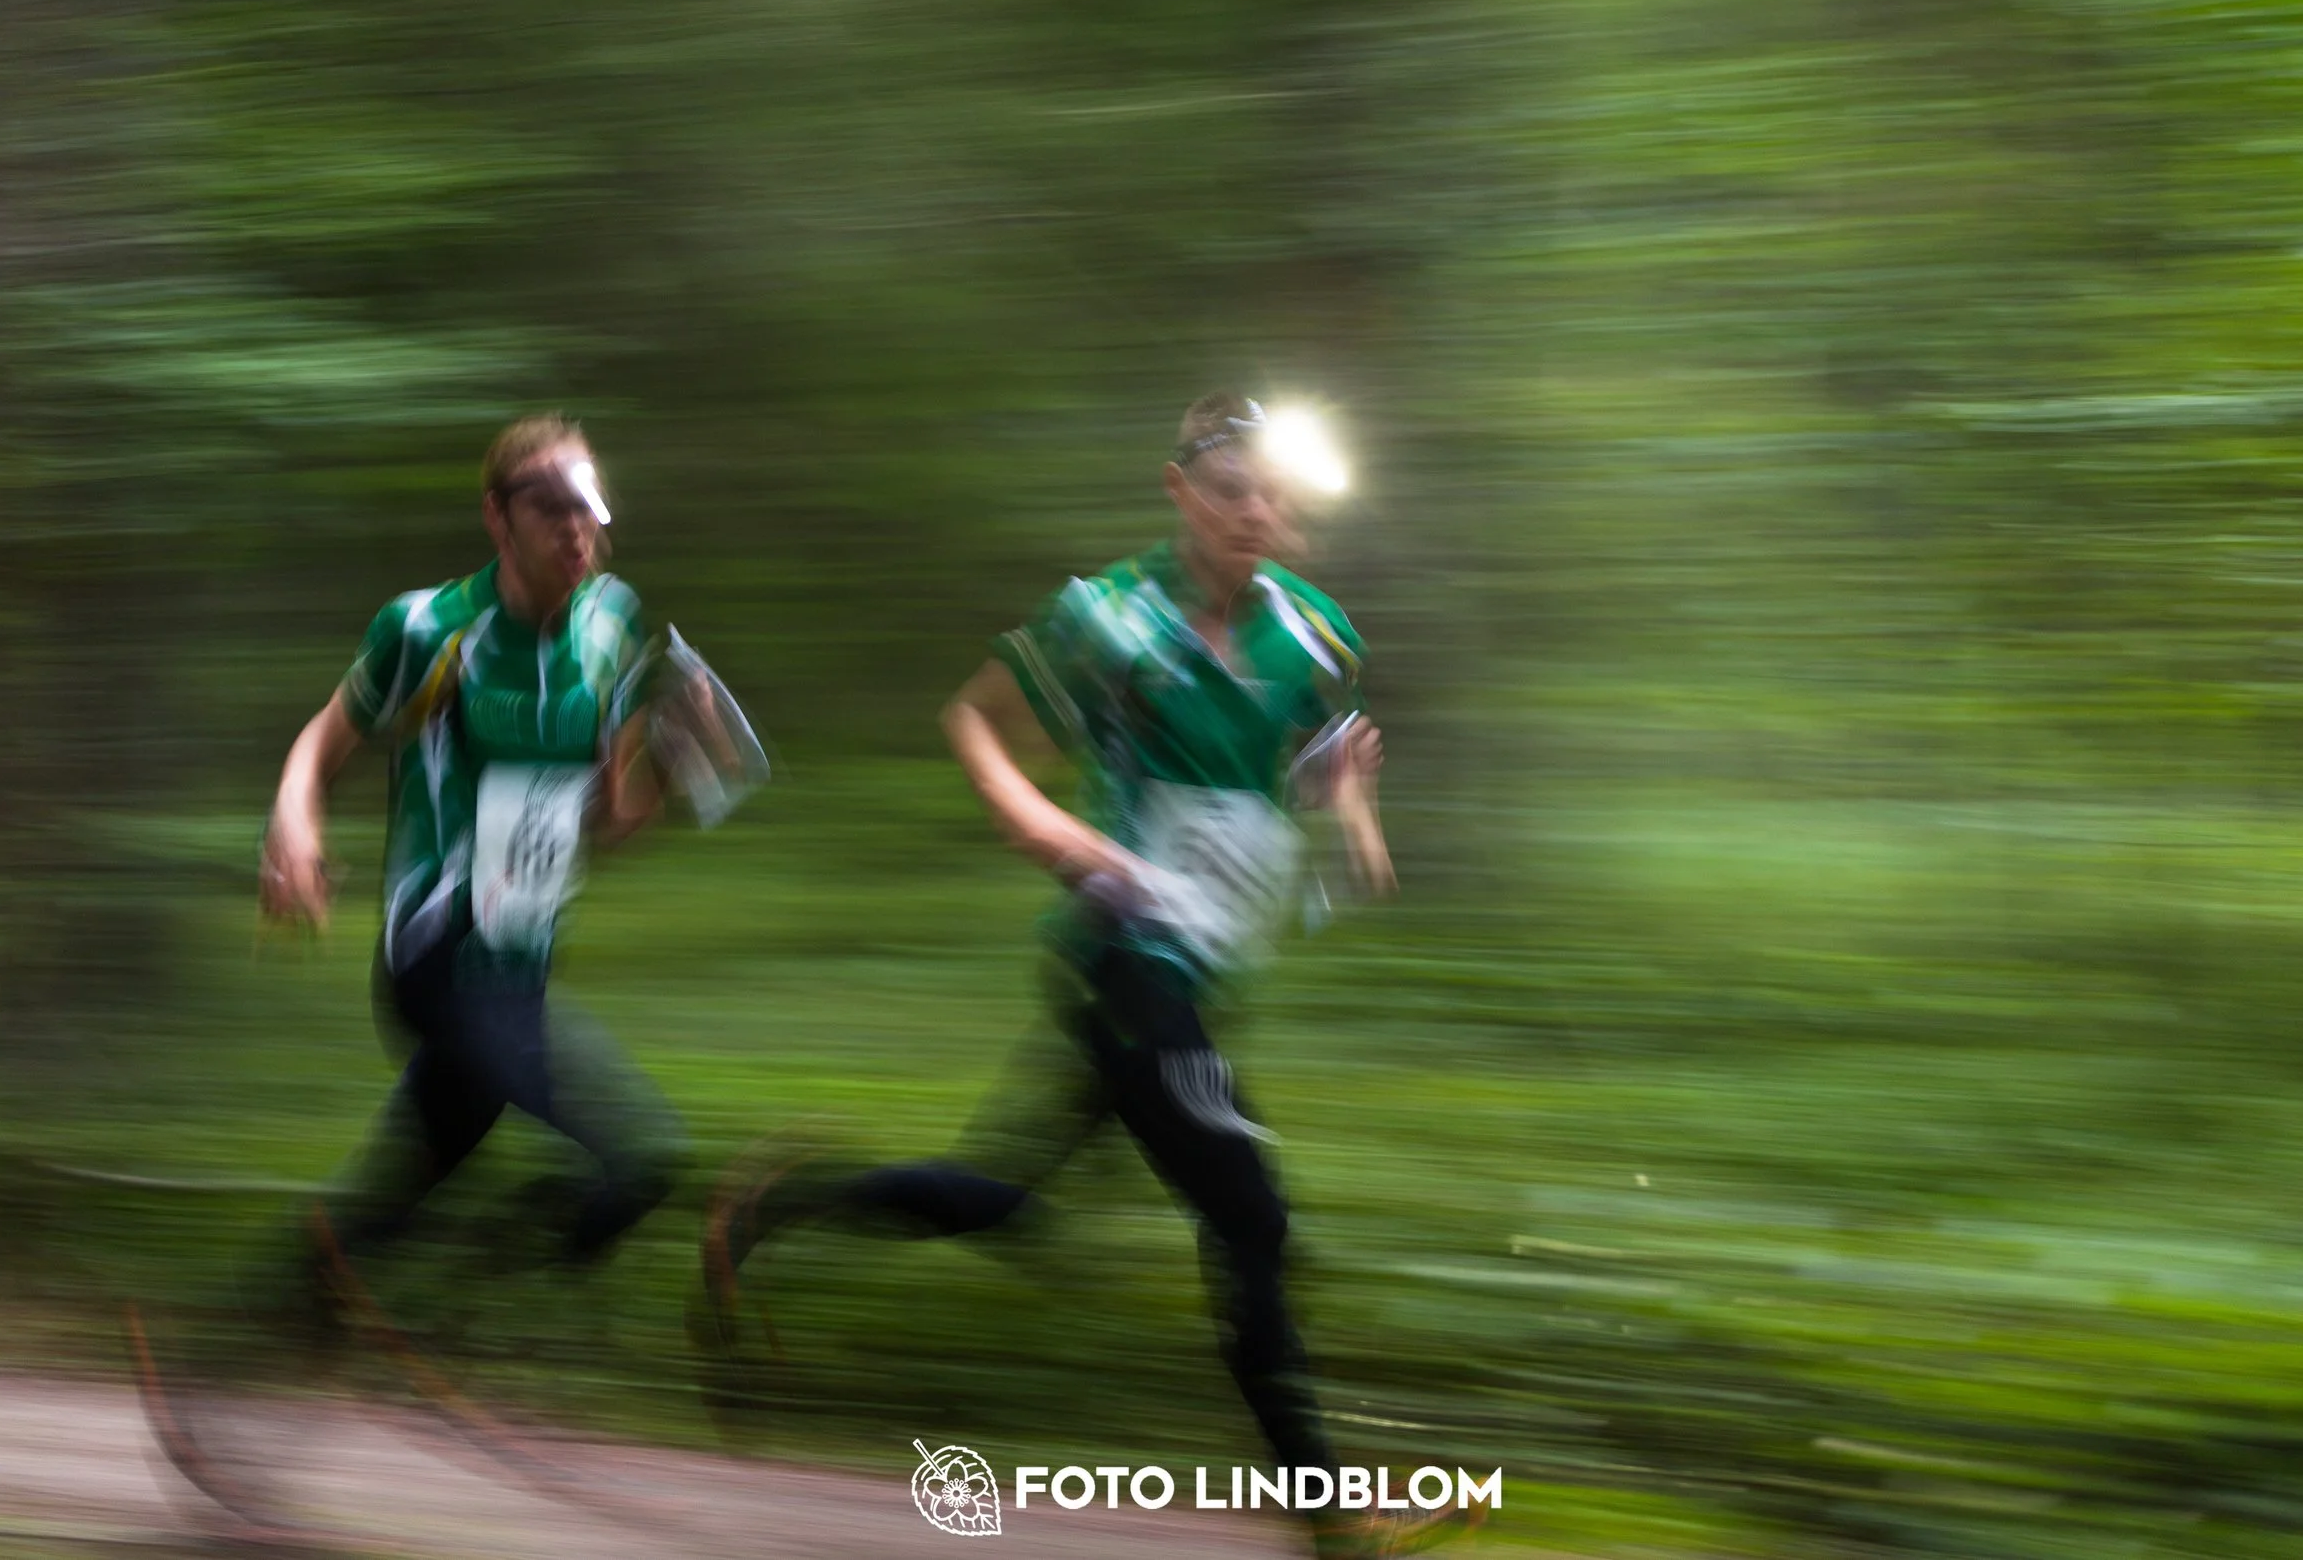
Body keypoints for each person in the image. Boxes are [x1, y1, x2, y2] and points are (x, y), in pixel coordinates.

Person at [700, 394, 1459, 1558]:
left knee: (1006, 1196)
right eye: (1228, 488)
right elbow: (974, 718)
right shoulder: (1108, 618)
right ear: (1178, 491)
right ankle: (1329, 1519)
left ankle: (769, 1207)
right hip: (1125, 961)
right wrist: (1036, 820)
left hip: (1196, 975)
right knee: (1250, 1213)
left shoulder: (1312, 628)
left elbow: (1300, 758)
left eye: (1270, 491)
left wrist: (1351, 805)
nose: (1253, 509)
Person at [260, 411, 692, 1298]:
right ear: (497, 516)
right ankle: (480, 1307)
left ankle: (250, 1341)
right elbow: (324, 739)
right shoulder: (426, 629)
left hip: (523, 962)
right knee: (642, 1156)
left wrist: (677, 760)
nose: (576, 532)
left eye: (589, 511)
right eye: (551, 510)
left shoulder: (611, 628)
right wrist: (295, 824)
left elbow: (613, 819)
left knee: (390, 1203)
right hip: (436, 953)